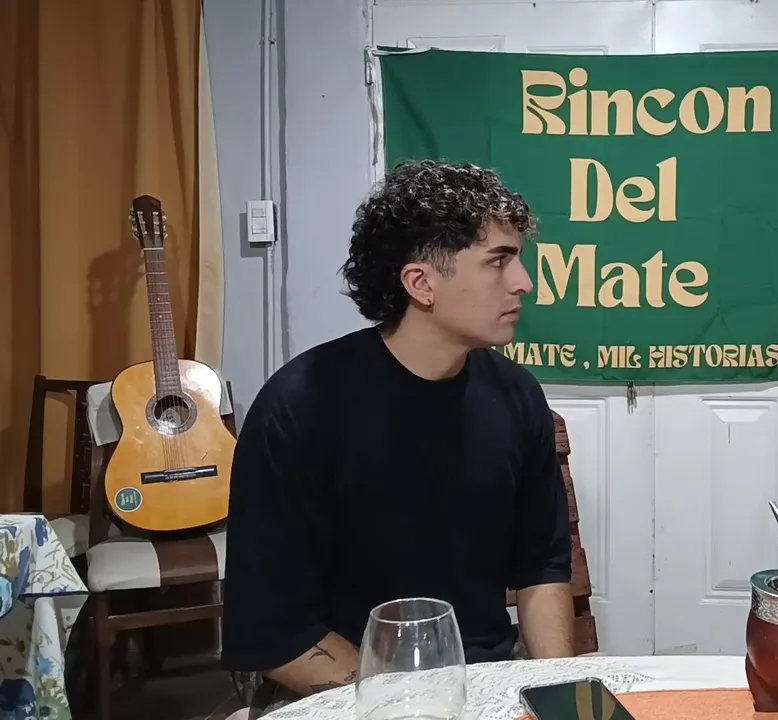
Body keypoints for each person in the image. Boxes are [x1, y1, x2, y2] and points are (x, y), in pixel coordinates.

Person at [222, 160, 576, 702]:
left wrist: (560, 699)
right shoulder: (300, 407)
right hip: (345, 695)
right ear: (421, 283)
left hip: (483, 686)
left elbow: (541, 569)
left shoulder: (517, 396)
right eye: (498, 261)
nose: (524, 283)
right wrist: (413, 704)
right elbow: (276, 633)